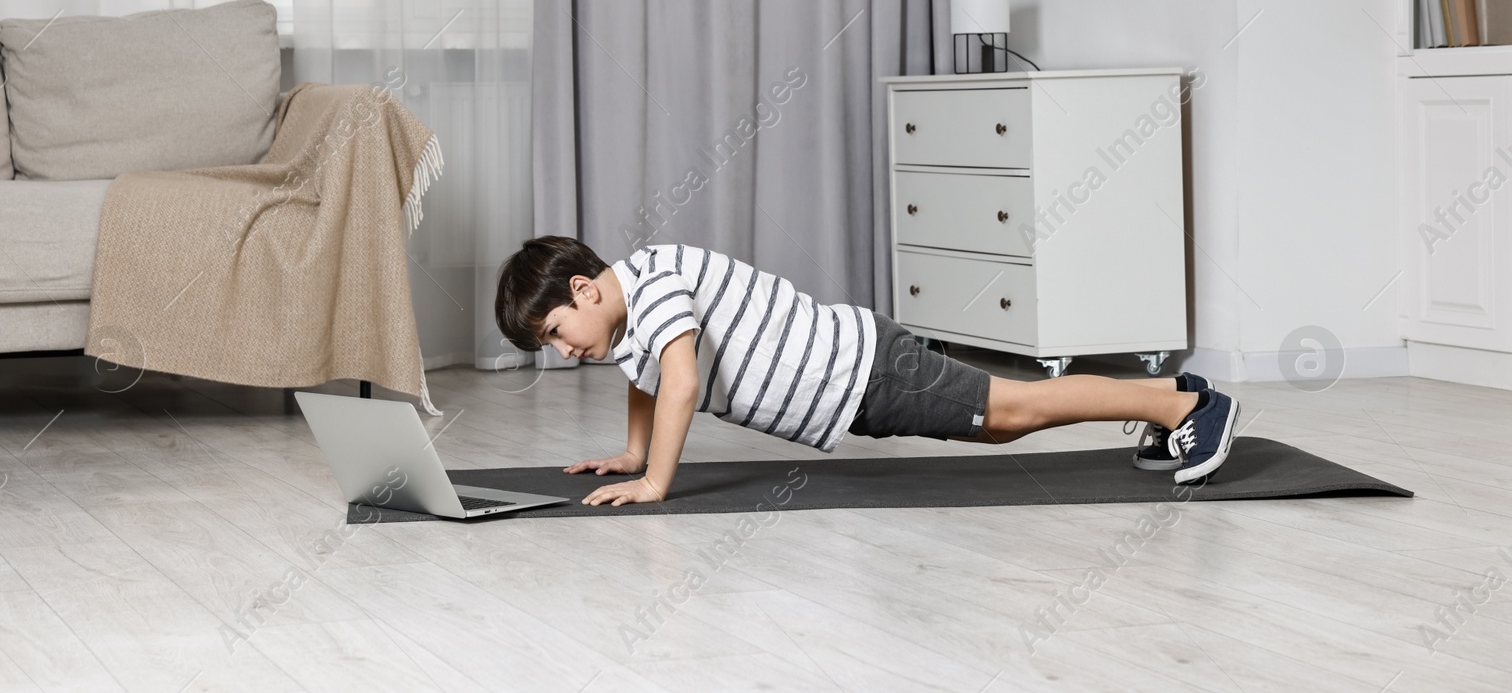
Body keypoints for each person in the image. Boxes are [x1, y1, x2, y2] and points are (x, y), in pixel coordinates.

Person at [493, 236, 1240, 507]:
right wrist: (632, 449)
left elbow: (681, 380)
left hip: (865, 370)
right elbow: (646, 372)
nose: (563, 350)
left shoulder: (653, 283)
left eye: (556, 332)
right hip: (853, 386)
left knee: (1016, 412)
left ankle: (1188, 411)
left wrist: (656, 480)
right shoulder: (630, 311)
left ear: (584, 289)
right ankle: (1174, 396)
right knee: (1006, 419)